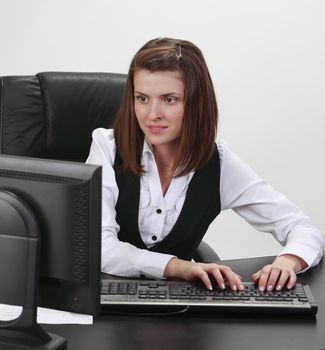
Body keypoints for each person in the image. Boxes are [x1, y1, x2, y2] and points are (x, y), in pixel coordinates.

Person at [86, 37, 325, 292]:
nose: (152, 114)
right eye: (142, 98)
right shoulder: (107, 146)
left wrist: (287, 262)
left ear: (196, 103)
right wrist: (181, 267)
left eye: (169, 99)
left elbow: (304, 228)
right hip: (100, 301)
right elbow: (100, 247)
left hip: (177, 313)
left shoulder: (218, 164)